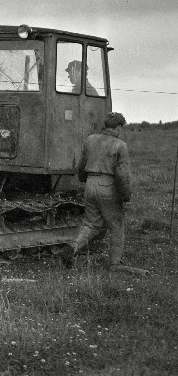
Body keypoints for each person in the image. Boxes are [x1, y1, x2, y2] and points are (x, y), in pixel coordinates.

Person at [60, 112, 132, 269]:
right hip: (108, 185)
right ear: (118, 127)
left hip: (90, 184)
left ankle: (73, 246)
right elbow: (122, 175)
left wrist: (85, 180)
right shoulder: (120, 145)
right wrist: (126, 195)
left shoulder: (90, 140)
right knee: (117, 225)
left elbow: (81, 165)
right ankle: (115, 263)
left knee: (92, 223)